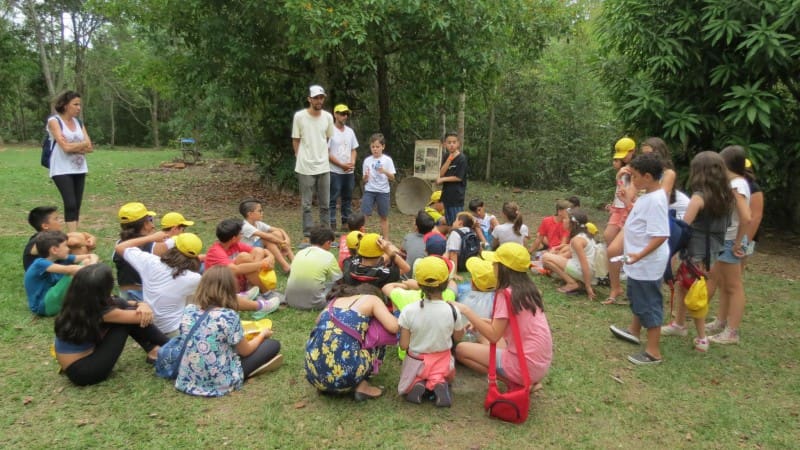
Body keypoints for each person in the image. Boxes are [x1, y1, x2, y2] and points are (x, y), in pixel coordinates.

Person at [454, 243, 553, 390]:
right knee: (484, 335)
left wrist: (467, 311)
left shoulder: (505, 294)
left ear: (502, 268)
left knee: (461, 350)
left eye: (495, 263)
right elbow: (514, 323)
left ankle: (515, 382)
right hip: (539, 365)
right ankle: (528, 381)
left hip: (523, 366)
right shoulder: (529, 290)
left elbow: (494, 336)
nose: (492, 266)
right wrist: (483, 321)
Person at [660, 151, 732, 352]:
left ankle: (701, 337)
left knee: (694, 293)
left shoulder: (699, 198)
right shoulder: (726, 196)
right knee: (685, 287)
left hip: (696, 252)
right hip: (714, 250)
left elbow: (685, 226)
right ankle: (679, 324)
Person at [174, 266, 283, 397]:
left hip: (187, 379)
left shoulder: (189, 310)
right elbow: (246, 351)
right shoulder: (228, 316)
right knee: (272, 345)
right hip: (221, 382)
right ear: (230, 288)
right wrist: (262, 335)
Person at [53, 264, 168, 386]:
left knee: (121, 305)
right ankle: (170, 345)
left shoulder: (80, 300)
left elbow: (121, 302)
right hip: (83, 372)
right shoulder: (97, 311)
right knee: (125, 321)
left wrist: (141, 304)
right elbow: (142, 317)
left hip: (78, 363)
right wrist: (144, 306)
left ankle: (155, 350)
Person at [609, 153, 670, 365]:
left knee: (649, 303)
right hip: (638, 261)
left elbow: (661, 235)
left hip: (646, 263)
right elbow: (640, 217)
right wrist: (628, 201)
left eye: (634, 176)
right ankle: (634, 331)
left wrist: (640, 254)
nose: (632, 181)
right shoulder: (648, 196)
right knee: (637, 296)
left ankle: (653, 352)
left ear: (647, 177)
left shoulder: (657, 200)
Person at [305, 283, 398, 400]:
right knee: (378, 333)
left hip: (313, 374)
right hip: (347, 376)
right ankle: (362, 386)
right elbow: (394, 327)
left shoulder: (335, 301)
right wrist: (397, 311)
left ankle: (327, 383)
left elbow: (318, 321)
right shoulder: (373, 300)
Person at [398, 257, 468, 407]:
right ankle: (438, 383)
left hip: (417, 360)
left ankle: (418, 383)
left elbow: (403, 345)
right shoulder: (452, 310)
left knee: (415, 373)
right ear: (446, 283)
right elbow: (458, 337)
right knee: (441, 372)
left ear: (419, 284)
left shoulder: (409, 310)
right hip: (442, 360)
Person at [115, 231, 204, 336]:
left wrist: (151, 238)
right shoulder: (194, 279)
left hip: (150, 327)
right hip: (174, 330)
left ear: (173, 247)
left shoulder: (151, 262)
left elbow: (120, 247)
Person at [705, 146, 752, 345]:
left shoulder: (736, 185)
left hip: (731, 240)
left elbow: (746, 217)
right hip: (727, 239)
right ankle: (721, 321)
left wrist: (738, 242)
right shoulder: (737, 183)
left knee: (733, 286)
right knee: (724, 284)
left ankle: (732, 332)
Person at [292, 85, 335, 239]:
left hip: (323, 165)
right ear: (309, 99)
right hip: (305, 166)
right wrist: (299, 156)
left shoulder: (328, 117)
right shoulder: (299, 116)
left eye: (321, 97)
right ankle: (308, 233)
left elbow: (327, 138)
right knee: (306, 204)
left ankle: (326, 233)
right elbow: (296, 139)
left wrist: (321, 154)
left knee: (325, 203)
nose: (319, 101)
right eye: (316, 98)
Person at [47, 90, 93, 233]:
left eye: (80, 105)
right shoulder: (54, 121)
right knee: (70, 203)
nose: (79, 108)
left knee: (77, 204)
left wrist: (75, 146)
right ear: (65, 105)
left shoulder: (79, 123)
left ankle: (75, 234)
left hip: (79, 168)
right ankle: (72, 236)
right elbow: (65, 147)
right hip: (61, 168)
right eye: (75, 104)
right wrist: (81, 145)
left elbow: (90, 147)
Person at [24, 231, 99, 316]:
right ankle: (93, 298)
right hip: (42, 306)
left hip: (51, 300)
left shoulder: (60, 257)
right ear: (54, 250)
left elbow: (91, 256)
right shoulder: (39, 263)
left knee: (85, 262)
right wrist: (92, 266)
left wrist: (91, 262)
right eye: (65, 246)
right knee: (75, 273)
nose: (68, 249)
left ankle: (90, 298)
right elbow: (71, 270)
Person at [204, 218, 276, 296]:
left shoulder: (234, 245)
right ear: (233, 238)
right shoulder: (216, 252)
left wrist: (270, 256)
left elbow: (262, 251)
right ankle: (266, 292)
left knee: (258, 250)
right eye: (241, 234)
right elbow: (235, 270)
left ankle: (254, 287)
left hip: (236, 281)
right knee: (243, 257)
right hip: (222, 288)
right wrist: (263, 264)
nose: (242, 236)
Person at [605, 137, 638, 304]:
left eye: (625, 154)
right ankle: (616, 283)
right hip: (618, 208)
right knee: (608, 238)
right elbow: (619, 191)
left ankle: (621, 282)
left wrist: (619, 178)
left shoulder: (636, 169)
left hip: (628, 208)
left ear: (633, 151)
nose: (623, 157)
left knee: (617, 248)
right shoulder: (624, 168)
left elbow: (628, 194)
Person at [113, 202, 168, 301]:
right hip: (146, 299)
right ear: (145, 224)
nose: (153, 225)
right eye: (150, 220)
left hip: (124, 298)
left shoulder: (119, 243)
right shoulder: (156, 246)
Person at [542, 209, 597, 300]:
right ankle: (577, 282)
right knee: (548, 260)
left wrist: (588, 287)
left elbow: (584, 264)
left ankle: (572, 283)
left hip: (583, 270)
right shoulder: (584, 235)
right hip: (587, 271)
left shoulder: (577, 240)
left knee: (545, 257)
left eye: (565, 218)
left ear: (572, 223)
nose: (563, 220)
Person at [285, 225, 343, 310]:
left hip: (291, 301)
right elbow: (339, 280)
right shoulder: (328, 256)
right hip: (315, 303)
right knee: (335, 286)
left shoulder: (300, 253)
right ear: (328, 242)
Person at [22, 206, 96, 271]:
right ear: (45, 226)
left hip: (54, 270)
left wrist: (92, 238)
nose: (60, 221)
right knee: (77, 247)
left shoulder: (53, 236)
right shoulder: (38, 241)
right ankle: (88, 274)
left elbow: (80, 234)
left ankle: (89, 272)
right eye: (56, 219)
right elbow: (74, 242)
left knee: (78, 239)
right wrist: (86, 243)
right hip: (43, 277)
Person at [239, 199, 294, 273]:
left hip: (259, 248)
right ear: (250, 214)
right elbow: (267, 237)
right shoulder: (245, 226)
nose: (262, 213)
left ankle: (294, 261)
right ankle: (286, 267)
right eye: (260, 211)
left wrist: (287, 239)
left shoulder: (258, 223)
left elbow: (279, 229)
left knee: (277, 233)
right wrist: (283, 243)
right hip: (249, 252)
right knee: (266, 239)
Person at [328, 103, 359, 231]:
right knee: (332, 199)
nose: (344, 116)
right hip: (335, 171)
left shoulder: (350, 131)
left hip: (348, 172)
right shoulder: (330, 131)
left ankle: (346, 222)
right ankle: (332, 223)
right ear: (335, 114)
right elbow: (326, 152)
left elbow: (354, 149)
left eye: (346, 114)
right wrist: (341, 165)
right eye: (342, 114)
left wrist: (352, 162)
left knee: (347, 198)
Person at [361, 133, 396, 238]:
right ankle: (360, 237)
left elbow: (392, 177)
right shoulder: (367, 160)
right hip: (369, 191)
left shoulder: (387, 160)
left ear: (383, 147)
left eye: (377, 146)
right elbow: (364, 179)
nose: (375, 149)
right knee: (364, 215)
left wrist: (383, 171)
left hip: (383, 192)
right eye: (373, 147)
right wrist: (365, 177)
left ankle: (386, 239)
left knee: (383, 217)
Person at [344, 233, 409, 288]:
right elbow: (406, 268)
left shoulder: (351, 264)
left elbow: (376, 259)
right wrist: (389, 251)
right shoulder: (382, 274)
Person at [436, 132, 468, 226]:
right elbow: (441, 173)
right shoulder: (446, 156)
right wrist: (449, 160)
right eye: (449, 142)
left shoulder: (462, 158)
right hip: (446, 195)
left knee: (457, 223)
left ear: (458, 143)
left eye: (454, 142)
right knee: (449, 222)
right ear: (445, 144)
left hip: (456, 196)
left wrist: (443, 180)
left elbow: (458, 177)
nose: (452, 145)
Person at [742, 158, 763, 268]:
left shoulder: (753, 188)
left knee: (737, 268)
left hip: (745, 234)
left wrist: (745, 242)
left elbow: (756, 217)